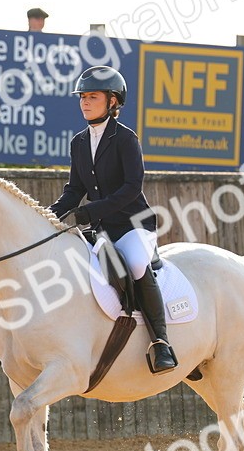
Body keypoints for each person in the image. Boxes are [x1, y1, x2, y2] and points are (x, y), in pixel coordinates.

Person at [48, 66, 178, 374]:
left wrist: (91, 212)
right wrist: (48, 216)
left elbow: (132, 188)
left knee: (134, 264)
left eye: (92, 96)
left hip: (134, 226)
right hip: (104, 229)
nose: (84, 102)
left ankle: (161, 342)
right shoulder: (79, 142)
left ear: (112, 101)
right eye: (82, 97)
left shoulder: (125, 139)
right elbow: (75, 190)